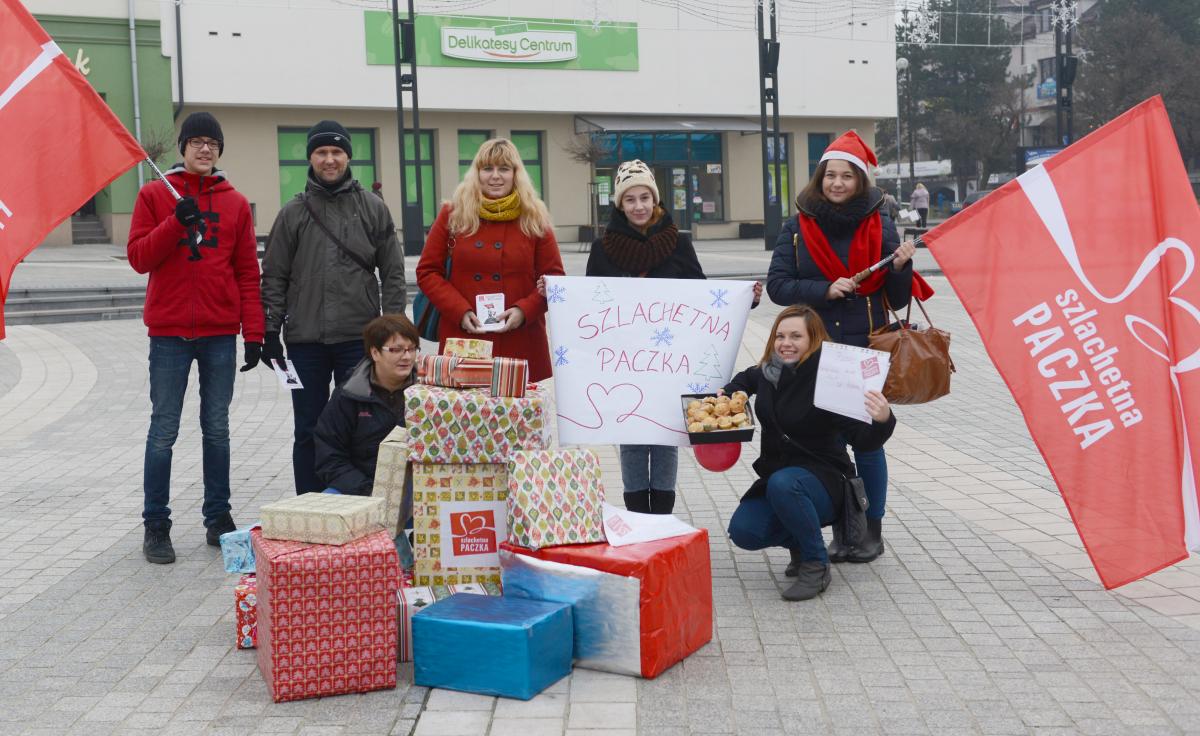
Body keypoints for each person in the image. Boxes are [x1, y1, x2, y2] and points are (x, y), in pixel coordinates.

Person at [766, 130, 929, 565]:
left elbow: (895, 297)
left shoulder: (881, 224)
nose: (837, 183)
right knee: (826, 441)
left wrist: (901, 267)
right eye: (830, 175)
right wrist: (824, 289)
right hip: (814, 350)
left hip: (863, 347)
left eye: (847, 176)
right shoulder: (797, 226)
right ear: (820, 178)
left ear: (860, 181)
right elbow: (778, 286)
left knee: (868, 442)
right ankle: (844, 527)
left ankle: (871, 531)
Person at [576, 159, 761, 515]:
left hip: (670, 361)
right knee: (631, 438)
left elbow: (704, 298)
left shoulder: (678, 243)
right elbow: (589, 304)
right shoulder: (603, 249)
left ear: (656, 199)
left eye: (645, 197)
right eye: (630, 199)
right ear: (619, 204)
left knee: (665, 438)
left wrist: (745, 300)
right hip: (624, 360)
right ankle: (637, 516)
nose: (639, 206)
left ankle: (661, 517)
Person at [126, 111, 264, 564]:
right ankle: (156, 524)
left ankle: (217, 517)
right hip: (169, 333)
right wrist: (174, 223)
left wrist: (254, 333)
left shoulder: (235, 203)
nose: (205, 149)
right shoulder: (154, 195)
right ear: (183, 147)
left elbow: (247, 272)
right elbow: (139, 258)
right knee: (163, 429)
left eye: (213, 143)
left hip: (219, 333)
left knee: (217, 428)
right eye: (197, 141)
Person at [261, 120, 407, 495]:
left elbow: (393, 272)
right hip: (305, 341)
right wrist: (270, 330)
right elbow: (274, 275)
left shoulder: (372, 208)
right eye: (322, 152)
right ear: (311, 158)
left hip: (358, 341)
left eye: (337, 152)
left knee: (361, 429)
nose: (330, 159)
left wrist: (391, 328)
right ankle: (309, 506)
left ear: (348, 157)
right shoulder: (292, 213)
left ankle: (358, 502)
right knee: (308, 428)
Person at [724, 305, 896, 601]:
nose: (785, 343)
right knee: (745, 531)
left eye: (796, 336)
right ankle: (801, 543)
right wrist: (729, 394)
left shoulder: (830, 378)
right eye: (780, 336)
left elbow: (863, 440)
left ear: (813, 339)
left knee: (785, 484)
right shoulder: (771, 369)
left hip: (825, 479)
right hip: (780, 478)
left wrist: (883, 419)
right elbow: (745, 379)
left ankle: (816, 565)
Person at [416, 138, 564, 381]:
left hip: (521, 339)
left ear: (516, 174)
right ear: (477, 173)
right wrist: (459, 311)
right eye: (487, 169)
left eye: (504, 169)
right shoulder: (453, 214)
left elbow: (555, 279)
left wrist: (524, 310)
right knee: (468, 405)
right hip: (465, 336)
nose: (495, 176)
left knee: (520, 405)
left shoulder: (535, 217)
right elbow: (427, 271)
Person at [313, 314, 417, 496]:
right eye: (396, 350)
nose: (407, 356)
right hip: (360, 488)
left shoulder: (428, 393)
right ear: (375, 353)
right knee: (326, 501)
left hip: (417, 489)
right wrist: (368, 490)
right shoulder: (349, 394)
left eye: (412, 349)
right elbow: (329, 456)